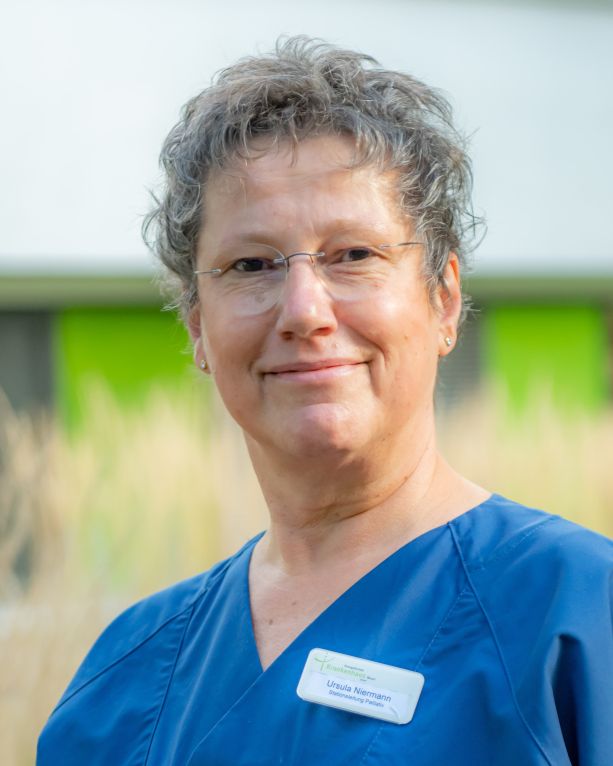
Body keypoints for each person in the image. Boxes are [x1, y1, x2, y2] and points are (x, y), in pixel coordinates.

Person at [38, 37, 612, 765]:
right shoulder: (123, 682)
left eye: (354, 255)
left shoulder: (578, 615)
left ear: (442, 300)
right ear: (197, 327)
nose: (303, 310)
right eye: (252, 264)